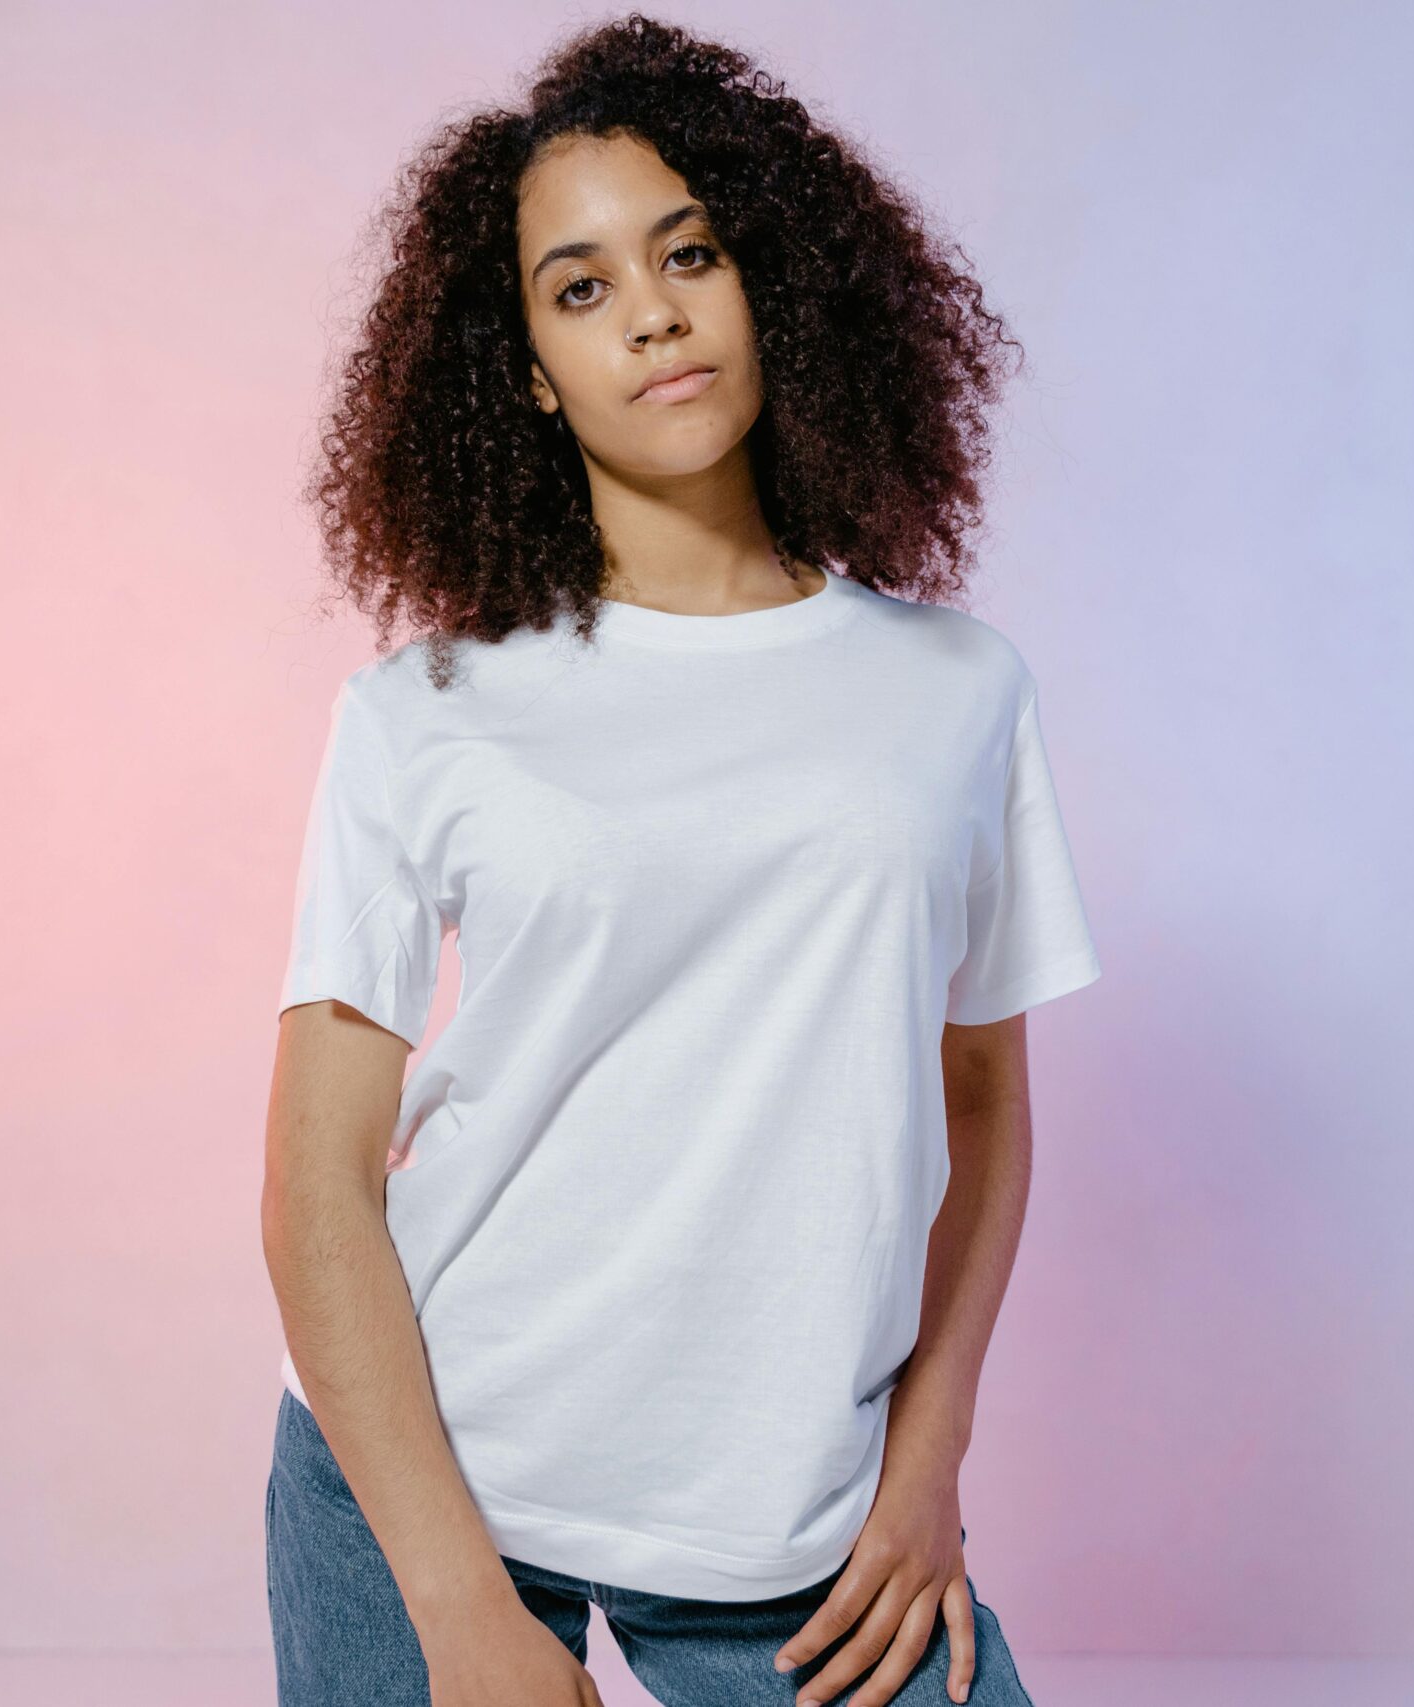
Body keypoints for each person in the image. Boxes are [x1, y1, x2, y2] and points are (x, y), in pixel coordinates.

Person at [261, 16, 1099, 1707]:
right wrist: (455, 1609)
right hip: (424, 1488)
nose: (649, 309)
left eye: (689, 252)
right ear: (526, 366)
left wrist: (926, 1467)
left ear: (767, 281)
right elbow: (317, 1186)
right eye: (579, 289)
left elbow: (988, 1104)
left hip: (785, 1537)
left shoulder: (952, 691)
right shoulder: (426, 711)